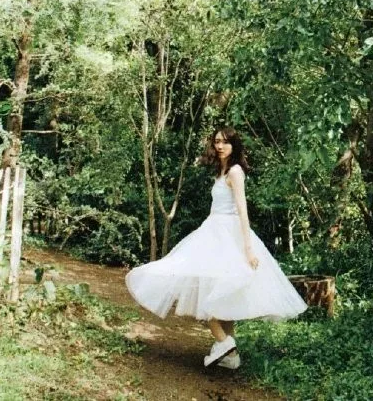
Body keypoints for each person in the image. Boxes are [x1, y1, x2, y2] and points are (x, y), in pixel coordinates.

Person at [125, 126, 308, 369]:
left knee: (211, 297)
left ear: (234, 146)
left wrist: (248, 248)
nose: (220, 146)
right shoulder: (221, 172)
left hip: (228, 236)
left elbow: (242, 210)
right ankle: (231, 355)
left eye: (225, 142)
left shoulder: (235, 172)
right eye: (217, 142)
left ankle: (224, 342)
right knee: (219, 297)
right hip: (212, 232)